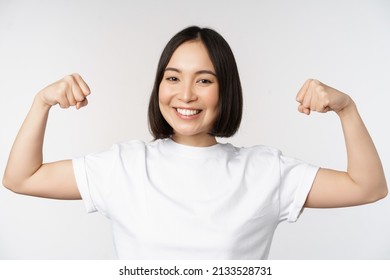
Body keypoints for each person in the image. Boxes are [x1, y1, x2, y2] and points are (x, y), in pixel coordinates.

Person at [2, 26, 387, 259]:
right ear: (159, 87)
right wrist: (42, 103)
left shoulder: (265, 171)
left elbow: (368, 187)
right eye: (173, 78)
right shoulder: (124, 166)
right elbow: (22, 178)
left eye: (204, 80)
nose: (185, 94)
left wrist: (347, 109)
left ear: (226, 90)